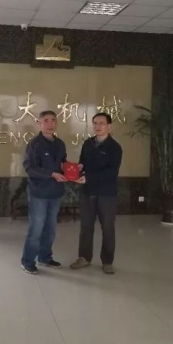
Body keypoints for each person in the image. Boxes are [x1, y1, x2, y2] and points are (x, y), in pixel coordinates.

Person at [70, 113, 122, 274]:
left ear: (109, 127)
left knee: (107, 228)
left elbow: (111, 172)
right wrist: (79, 168)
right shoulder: (88, 143)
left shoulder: (115, 147)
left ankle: (107, 261)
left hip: (106, 194)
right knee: (86, 226)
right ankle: (84, 257)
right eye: (95, 123)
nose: (97, 126)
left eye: (101, 123)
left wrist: (89, 177)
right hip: (87, 192)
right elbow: (83, 162)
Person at [20, 110, 68, 274]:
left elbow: (63, 164)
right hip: (39, 193)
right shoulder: (35, 144)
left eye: (53, 120)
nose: (50, 124)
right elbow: (29, 167)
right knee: (36, 228)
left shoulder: (60, 144)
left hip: (55, 192)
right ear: (39, 123)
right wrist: (51, 174)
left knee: (50, 228)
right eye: (46, 120)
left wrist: (72, 171)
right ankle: (27, 261)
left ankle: (45, 257)